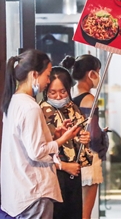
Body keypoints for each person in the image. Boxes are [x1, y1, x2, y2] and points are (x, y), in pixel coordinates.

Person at [0, 49, 82, 218]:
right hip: (34, 192)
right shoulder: (31, 107)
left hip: (20, 192)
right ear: (34, 74)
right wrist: (63, 140)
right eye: (48, 74)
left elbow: (27, 144)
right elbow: (37, 152)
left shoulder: (14, 102)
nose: (48, 80)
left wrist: (53, 137)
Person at [61, 54, 109, 219]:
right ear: (91, 74)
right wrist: (103, 135)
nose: (99, 77)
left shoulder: (69, 95)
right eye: (98, 72)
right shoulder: (89, 99)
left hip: (71, 157)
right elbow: (94, 136)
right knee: (85, 214)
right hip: (88, 158)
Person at [39, 66, 91, 219]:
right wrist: (64, 166)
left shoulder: (74, 108)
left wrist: (84, 139)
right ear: (46, 92)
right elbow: (39, 150)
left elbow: (81, 141)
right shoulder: (41, 111)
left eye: (63, 91)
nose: (58, 96)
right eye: (53, 92)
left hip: (74, 172)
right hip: (54, 175)